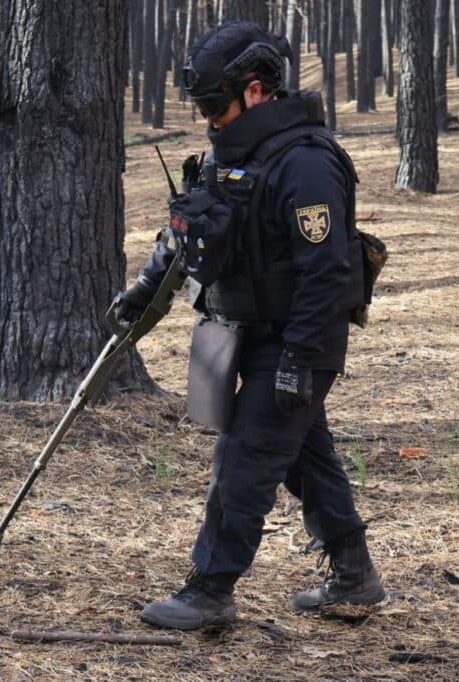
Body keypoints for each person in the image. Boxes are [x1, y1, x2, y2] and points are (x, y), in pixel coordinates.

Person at [111, 20, 385, 631]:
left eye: (216, 104)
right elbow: (186, 232)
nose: (208, 118)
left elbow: (326, 275)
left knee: (246, 460)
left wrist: (297, 362)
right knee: (303, 458)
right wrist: (142, 292)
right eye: (203, 105)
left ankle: (211, 590)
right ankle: (355, 576)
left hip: (295, 342)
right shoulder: (228, 154)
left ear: (257, 91)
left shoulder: (307, 164)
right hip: (242, 333)